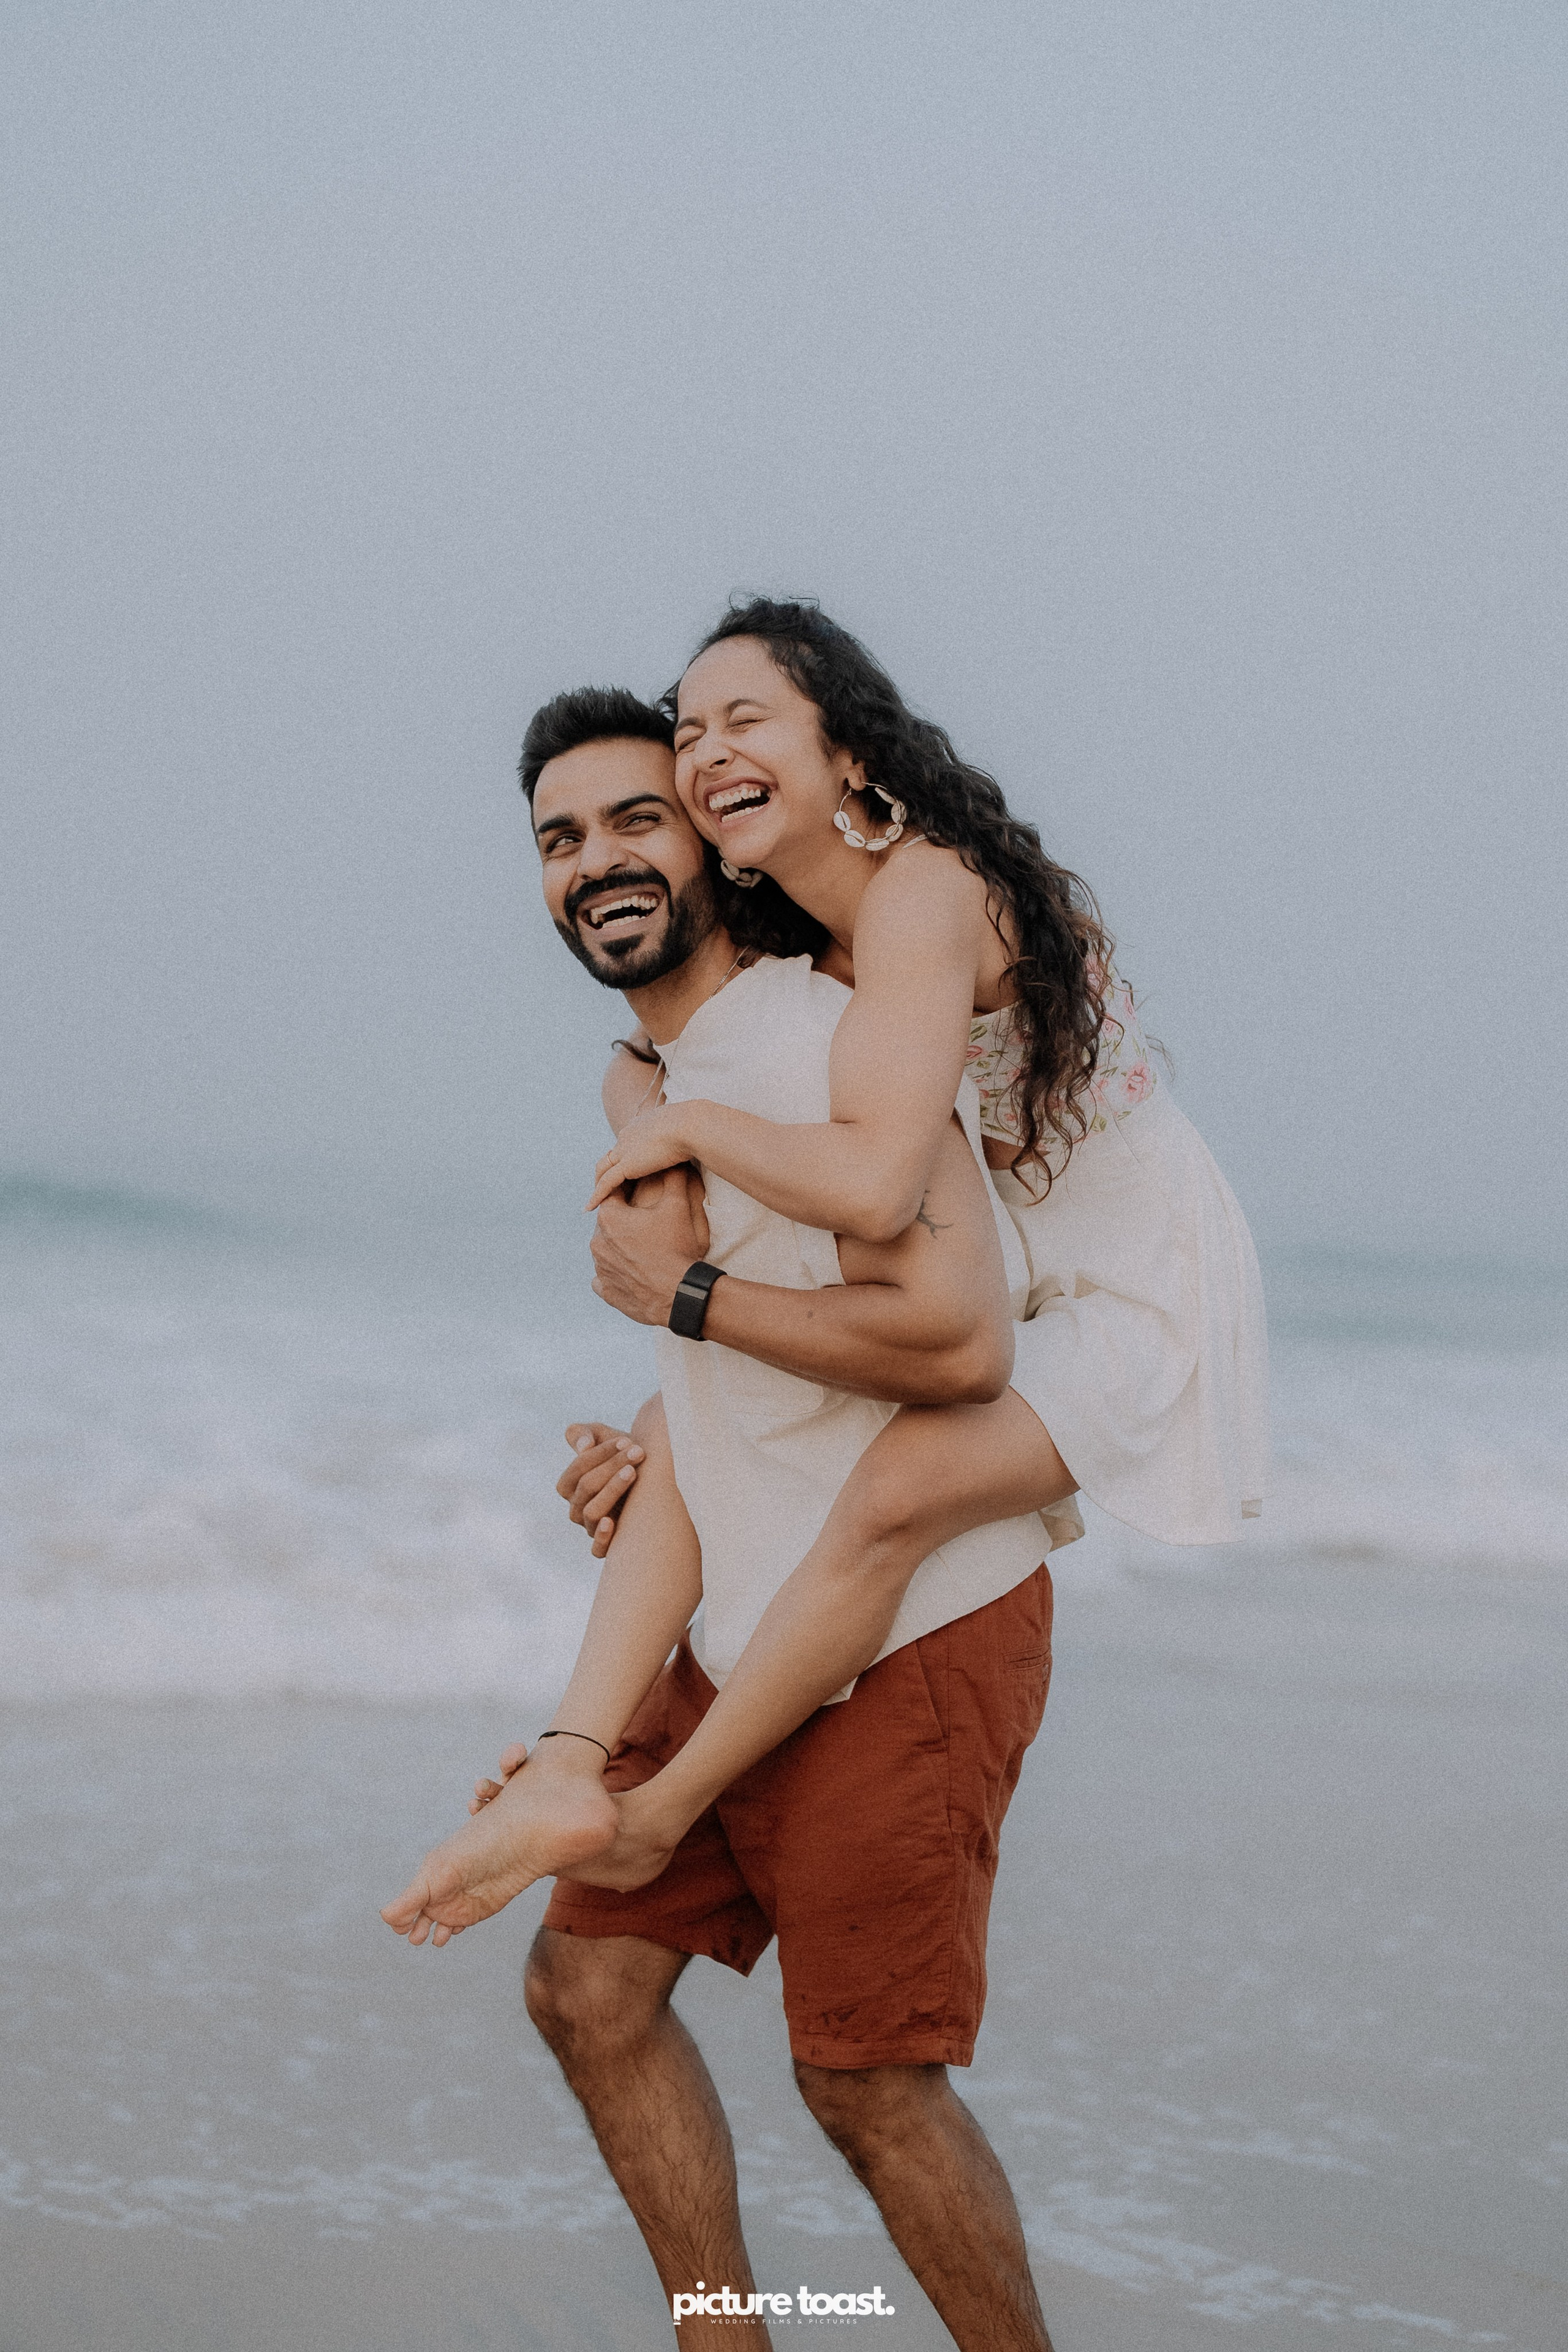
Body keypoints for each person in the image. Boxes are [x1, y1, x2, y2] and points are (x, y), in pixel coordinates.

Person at [384, 687, 1078, 2351]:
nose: (596, 861)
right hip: (745, 1598)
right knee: (589, 1988)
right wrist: (660, 1428)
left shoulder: (819, 1038)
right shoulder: (655, 1074)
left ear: (713, 840)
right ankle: (727, 2337)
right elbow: (751, 1347)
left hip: (914, 1616)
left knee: (868, 2083)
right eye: (560, 839)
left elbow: (951, 1342)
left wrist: (682, 1311)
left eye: (637, 820)